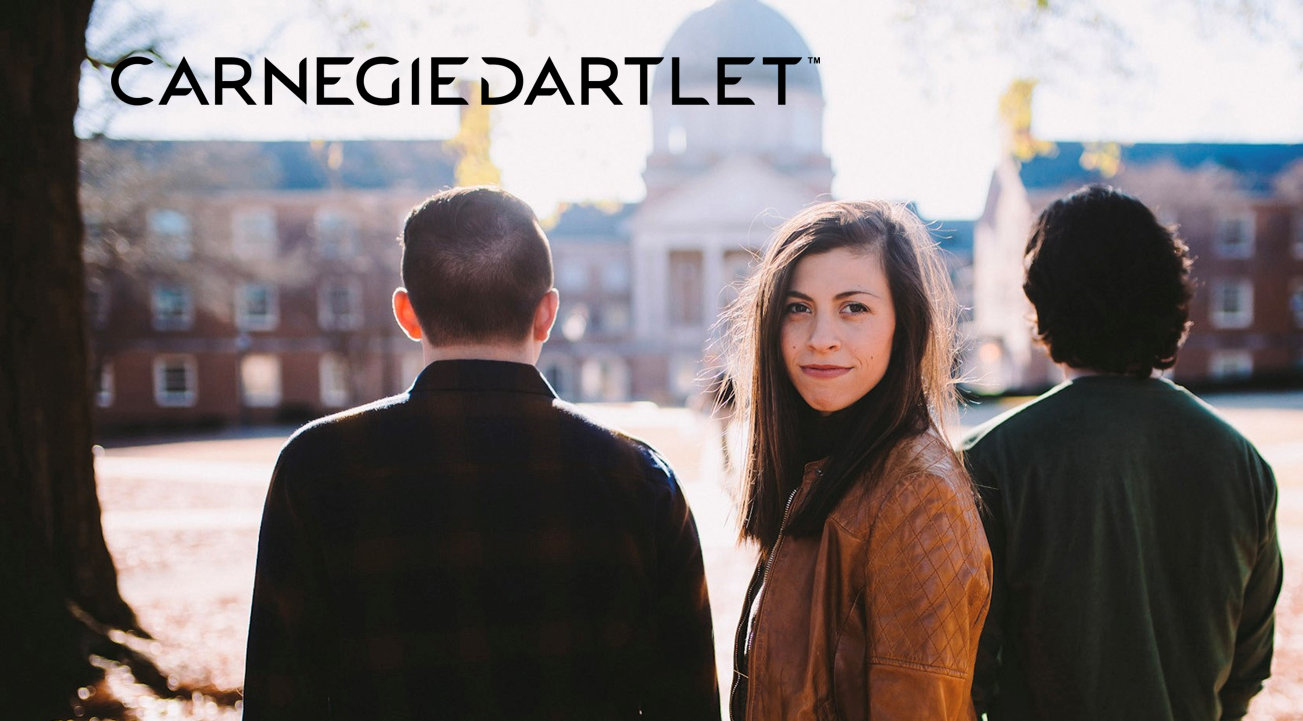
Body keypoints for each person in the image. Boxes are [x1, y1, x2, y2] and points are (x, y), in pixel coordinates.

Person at [242, 186, 719, 720]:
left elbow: (279, 698)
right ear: (547, 314)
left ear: (407, 313)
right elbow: (687, 703)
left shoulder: (318, 467)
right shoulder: (641, 480)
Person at [964, 185, 1282, 721]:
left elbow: (966, 668)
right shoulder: (1241, 462)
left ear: (1042, 300)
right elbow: (1248, 664)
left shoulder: (993, 461)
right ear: (1170, 295)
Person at [727, 200, 992, 720]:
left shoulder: (918, 494)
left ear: (903, 325)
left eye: (854, 308)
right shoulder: (820, 470)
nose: (821, 338)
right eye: (797, 308)